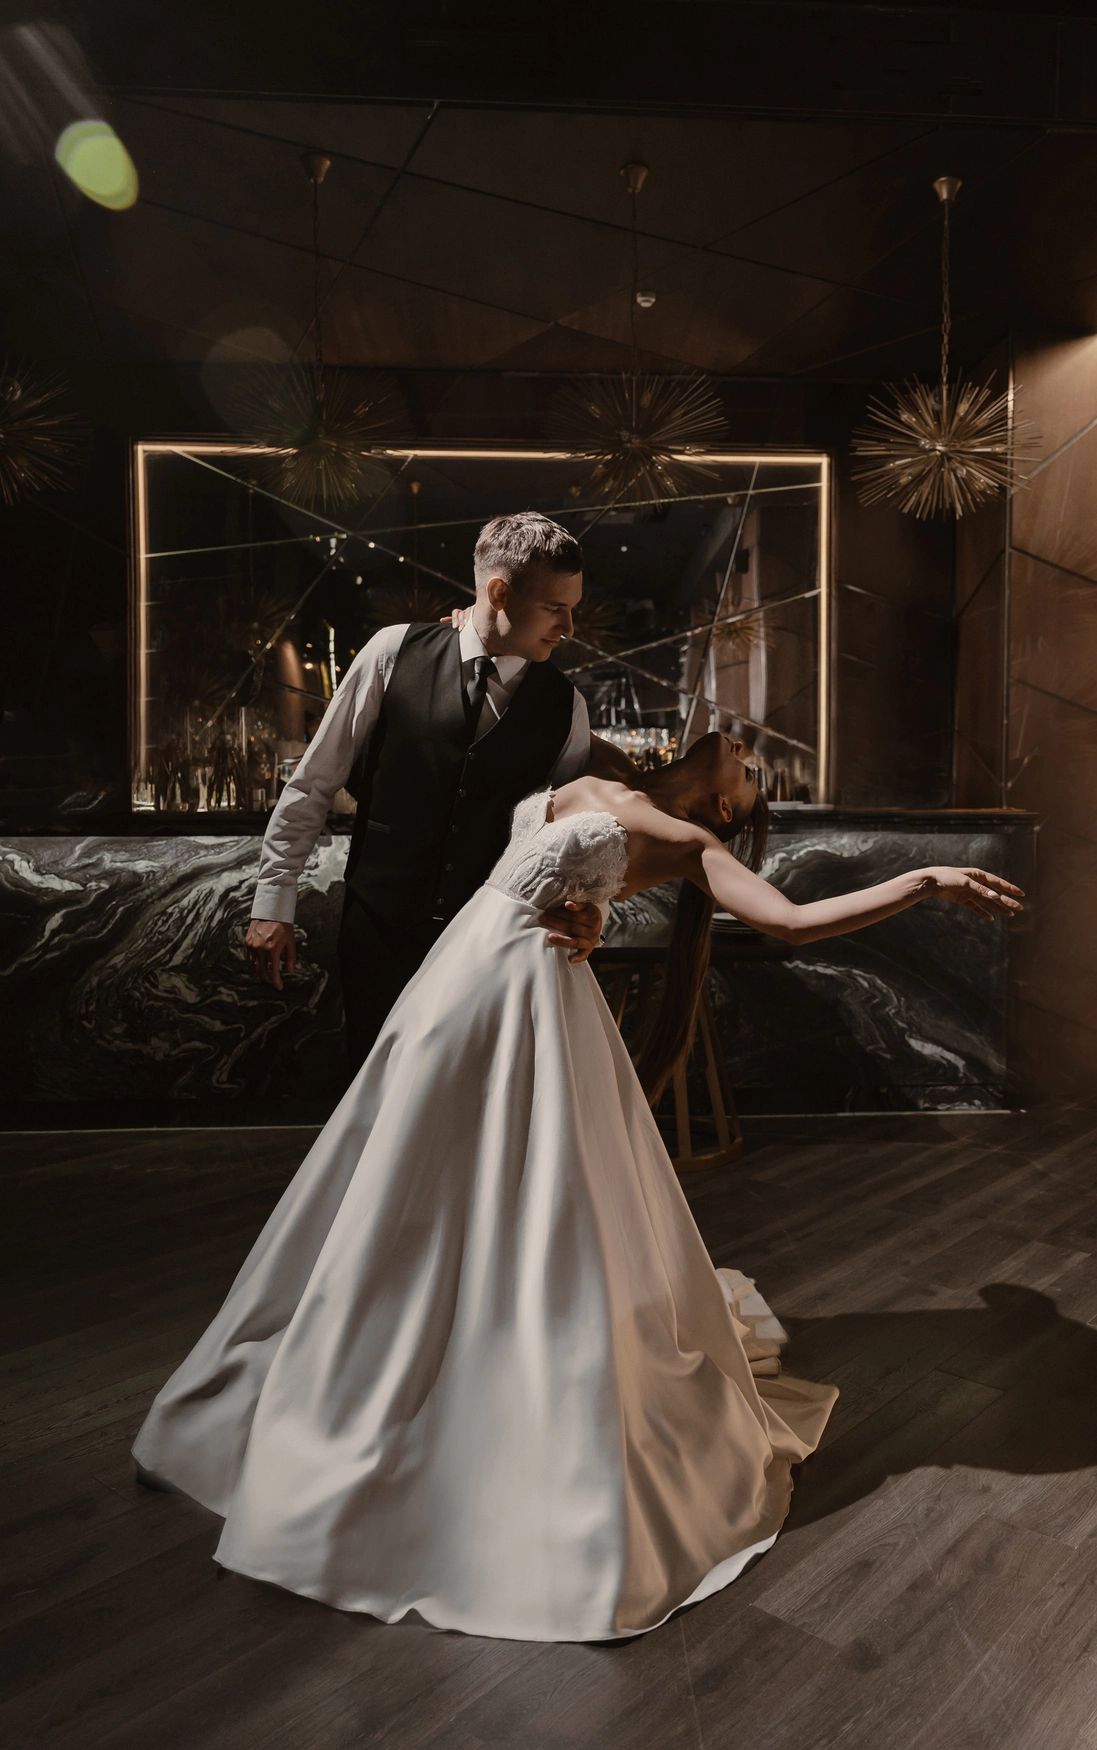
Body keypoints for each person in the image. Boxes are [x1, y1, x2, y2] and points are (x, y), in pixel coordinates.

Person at [134, 728, 1022, 1643]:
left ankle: (460, 1394)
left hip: (517, 999)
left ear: (722, 804)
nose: (745, 754)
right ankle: (367, 1357)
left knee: (506, 1199)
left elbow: (790, 923)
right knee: (403, 1180)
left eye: (751, 775)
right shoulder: (604, 771)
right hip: (458, 981)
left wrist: (927, 880)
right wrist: (592, 908)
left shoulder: (690, 841)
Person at [245, 511, 634, 1071]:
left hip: (492, 945)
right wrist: (272, 902)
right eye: (555, 607)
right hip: (379, 933)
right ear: (498, 593)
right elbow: (313, 784)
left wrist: (589, 911)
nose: (569, 626)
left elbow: (567, 840)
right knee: (372, 1095)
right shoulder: (391, 652)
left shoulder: (566, 706)